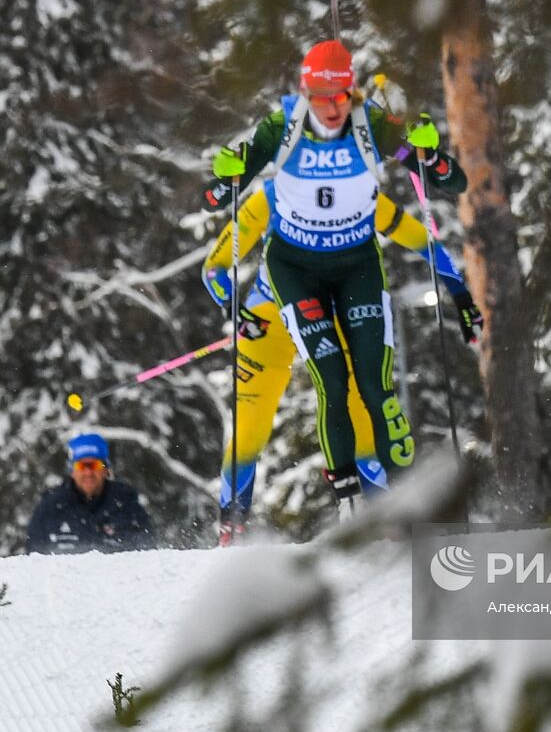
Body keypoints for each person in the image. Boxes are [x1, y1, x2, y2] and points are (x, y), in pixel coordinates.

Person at [199, 40, 466, 517]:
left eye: (339, 99)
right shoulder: (281, 130)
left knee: (375, 385)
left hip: (354, 266)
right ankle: (331, 505)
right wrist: (224, 179)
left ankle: (400, 507)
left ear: (352, 95)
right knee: (328, 382)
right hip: (291, 278)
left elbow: (450, 182)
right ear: (305, 95)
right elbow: (219, 202)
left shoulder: (373, 129)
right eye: (319, 100)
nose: (329, 111)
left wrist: (432, 157)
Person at [202, 178, 482, 545]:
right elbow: (214, 267)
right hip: (269, 319)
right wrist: (234, 310)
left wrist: (461, 294)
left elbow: (423, 242)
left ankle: (383, 519)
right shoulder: (273, 195)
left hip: (332, 317)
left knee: (359, 408)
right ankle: (231, 528)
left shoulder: (355, 190)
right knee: (251, 422)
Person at [26, 433, 155, 554]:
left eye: (94, 465)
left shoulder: (128, 507)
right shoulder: (49, 509)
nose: (88, 473)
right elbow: (35, 560)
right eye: (81, 466)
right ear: (72, 471)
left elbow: (146, 555)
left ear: (106, 470)